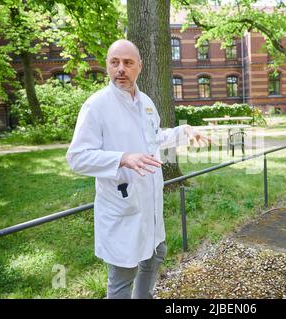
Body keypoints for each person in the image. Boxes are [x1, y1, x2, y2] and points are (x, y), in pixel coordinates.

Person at [66, 39, 210, 299]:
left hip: (149, 204)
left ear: (139, 67)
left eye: (128, 63)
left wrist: (183, 132)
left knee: (156, 255)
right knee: (122, 276)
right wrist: (122, 158)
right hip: (122, 206)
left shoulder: (146, 102)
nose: (121, 69)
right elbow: (77, 157)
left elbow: (153, 138)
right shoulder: (96, 106)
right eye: (114, 62)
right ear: (108, 66)